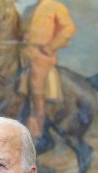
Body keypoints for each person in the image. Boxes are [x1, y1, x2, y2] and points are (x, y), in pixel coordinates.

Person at [21, 0, 76, 138]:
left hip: (42, 55)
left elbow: (69, 29)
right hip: (22, 52)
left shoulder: (57, 7)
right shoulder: (29, 9)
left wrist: (51, 46)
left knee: (36, 81)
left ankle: (36, 125)